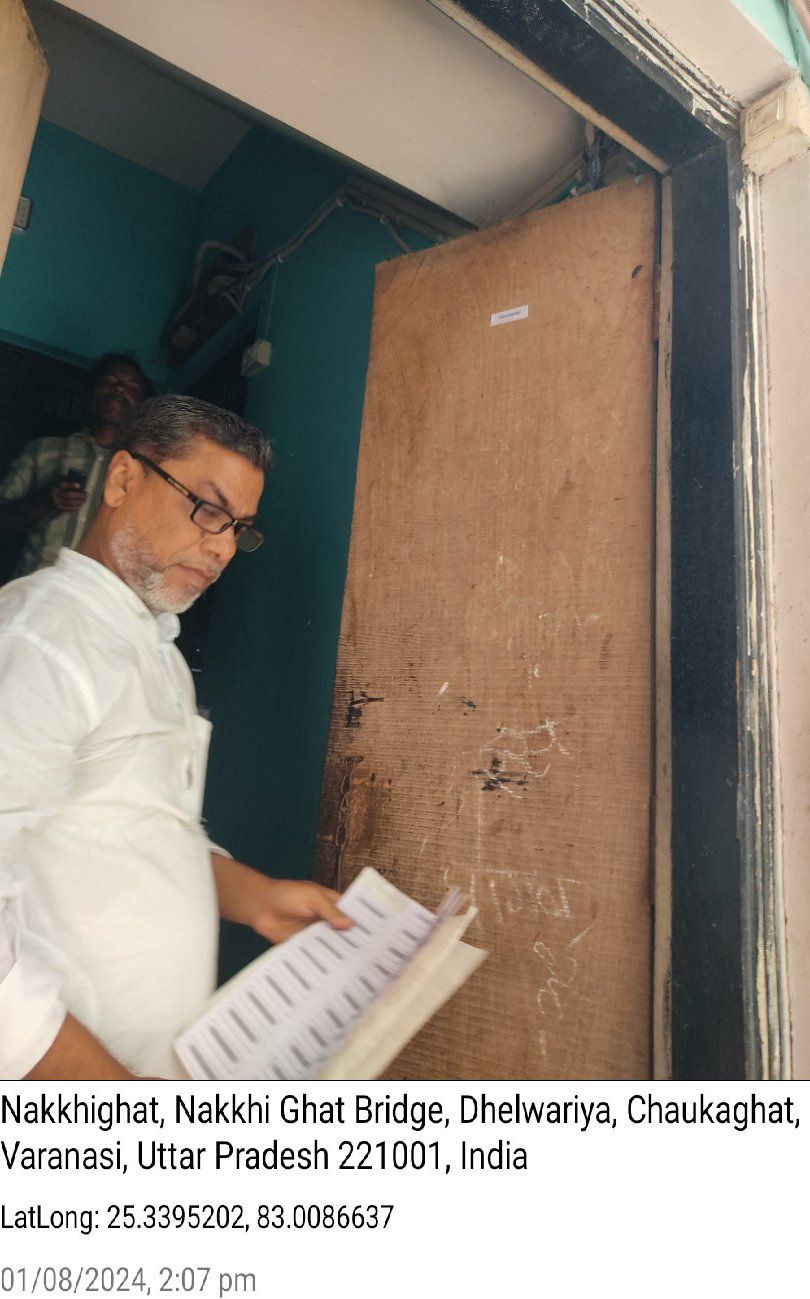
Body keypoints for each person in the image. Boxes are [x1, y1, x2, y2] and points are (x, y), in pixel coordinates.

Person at [0, 394, 350, 1080]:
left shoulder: (155, 648)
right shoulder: (40, 640)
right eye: (208, 509)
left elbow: (144, 828)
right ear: (122, 480)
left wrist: (257, 898)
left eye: (239, 528)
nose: (222, 546)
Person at [0, 352, 152, 579]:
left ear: (141, 408)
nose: (119, 389)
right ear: (92, 392)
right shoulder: (42, 450)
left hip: (96, 599)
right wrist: (44, 501)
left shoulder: (146, 475)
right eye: (109, 381)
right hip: (34, 592)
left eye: (132, 387)